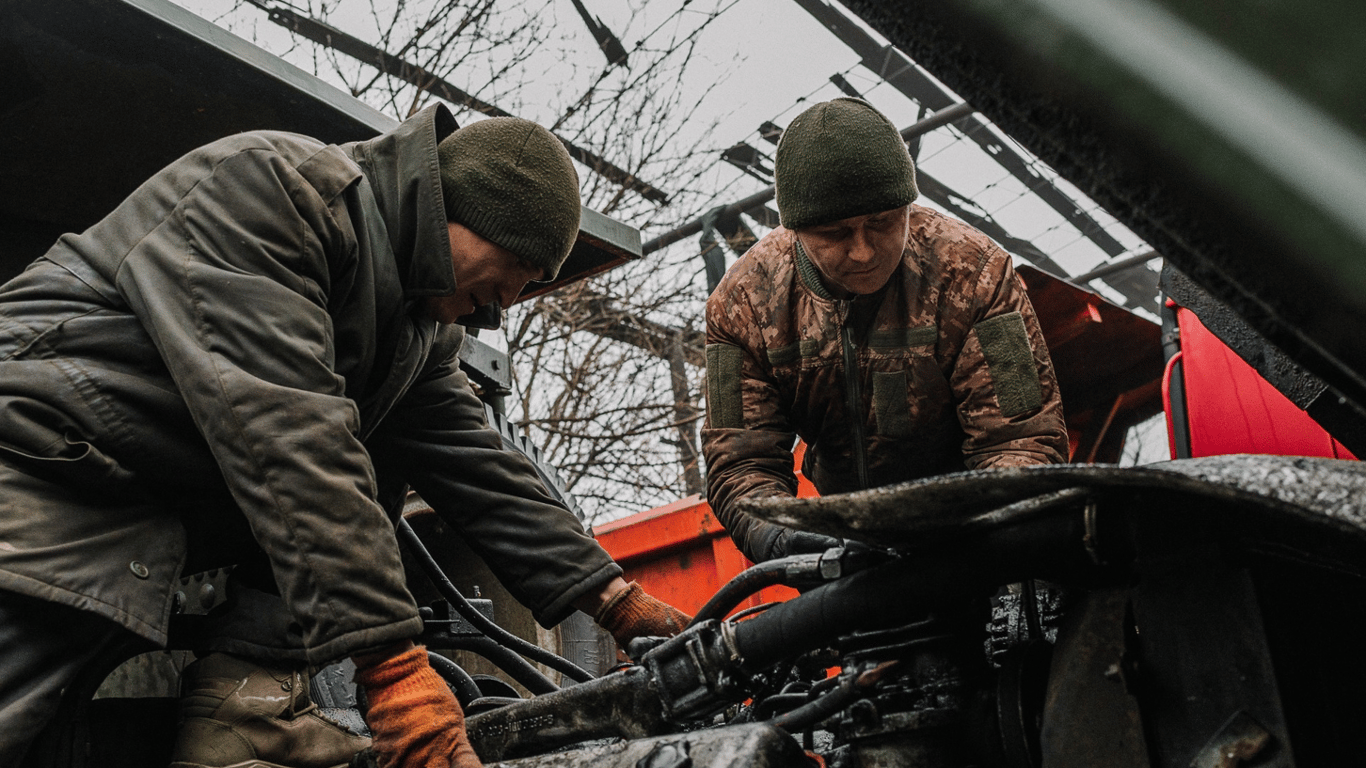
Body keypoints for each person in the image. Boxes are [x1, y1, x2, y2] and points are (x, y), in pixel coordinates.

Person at [0, 103, 689, 768]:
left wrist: (610, 597)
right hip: (39, 465)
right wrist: (394, 669)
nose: (509, 302)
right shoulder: (274, 190)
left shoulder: (417, 330)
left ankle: (246, 718)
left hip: (127, 489)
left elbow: (476, 462)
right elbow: (285, 429)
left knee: (366, 456)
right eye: (519, 268)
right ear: (465, 211)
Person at [702, 98, 1068, 564]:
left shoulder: (974, 272)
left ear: (907, 206)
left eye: (882, 223)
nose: (862, 252)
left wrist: (994, 539)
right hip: (845, 550)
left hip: (976, 537)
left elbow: (1021, 437)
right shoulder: (742, 305)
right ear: (793, 230)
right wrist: (784, 538)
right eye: (835, 234)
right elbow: (740, 461)